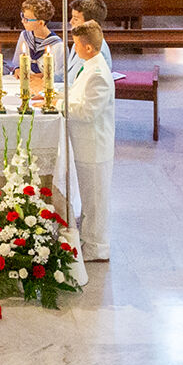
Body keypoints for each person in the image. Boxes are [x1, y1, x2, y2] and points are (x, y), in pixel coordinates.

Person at [65, 21, 115, 267]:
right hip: (85, 145)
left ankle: (97, 247)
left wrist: (59, 105)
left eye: (75, 44)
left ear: (87, 47)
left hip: (94, 146)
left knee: (95, 200)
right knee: (87, 197)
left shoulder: (98, 74)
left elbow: (87, 112)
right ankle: (88, 240)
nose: (74, 48)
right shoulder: (89, 66)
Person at [9, 0, 64, 91]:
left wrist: (43, 76)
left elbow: (61, 75)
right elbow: (16, 63)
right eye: (22, 16)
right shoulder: (24, 36)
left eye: (27, 19)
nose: (22, 21)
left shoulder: (57, 45)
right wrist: (17, 69)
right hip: (23, 83)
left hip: (44, 87)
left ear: (41, 23)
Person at [67, 0, 113, 66]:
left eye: (76, 19)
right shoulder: (81, 39)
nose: (71, 22)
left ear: (90, 23)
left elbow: (77, 76)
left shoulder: (94, 50)